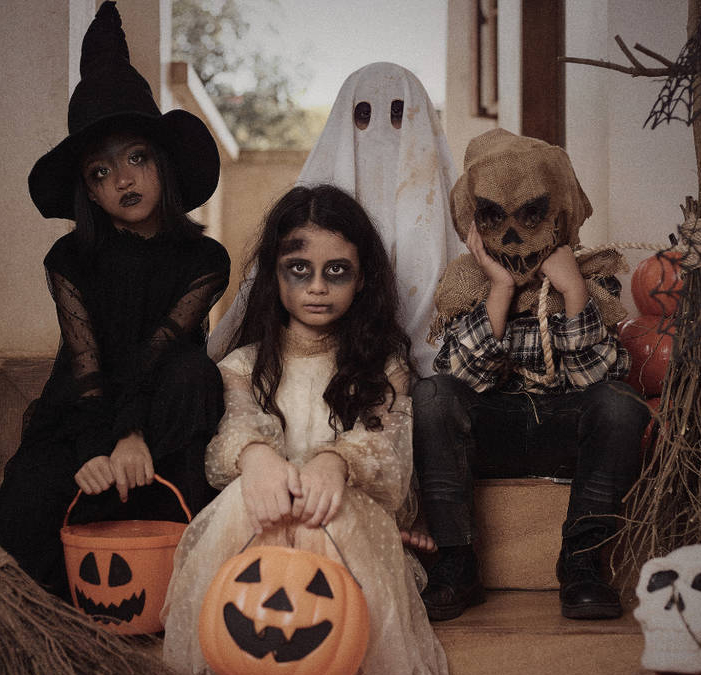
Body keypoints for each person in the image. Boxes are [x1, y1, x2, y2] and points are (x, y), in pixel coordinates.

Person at [0, 4, 228, 673]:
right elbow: (90, 367)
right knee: (37, 484)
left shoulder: (205, 262)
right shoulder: (69, 262)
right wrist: (99, 447)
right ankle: (19, 632)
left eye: (135, 159)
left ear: (162, 165)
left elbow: (155, 354)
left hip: (162, 411)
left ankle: (179, 568)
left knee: (192, 370)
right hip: (83, 414)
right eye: (100, 172)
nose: (122, 179)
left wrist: (133, 439)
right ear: (88, 195)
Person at [161, 184, 449, 675]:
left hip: (344, 517)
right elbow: (235, 430)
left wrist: (335, 462)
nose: (317, 286)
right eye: (300, 270)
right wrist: (256, 459)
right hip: (263, 511)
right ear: (274, 275)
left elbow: (387, 448)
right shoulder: (241, 366)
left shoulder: (385, 366)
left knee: (325, 519)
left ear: (362, 280)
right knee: (250, 506)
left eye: (336, 271)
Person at [413, 129, 649, 622]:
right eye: (494, 216)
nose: (514, 235)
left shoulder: (593, 276)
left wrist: (575, 293)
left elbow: (600, 379)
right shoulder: (464, 284)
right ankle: (457, 562)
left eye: (532, 214)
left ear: (559, 214)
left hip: (563, 432)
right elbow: (459, 375)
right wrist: (499, 288)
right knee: (433, 395)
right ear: (473, 221)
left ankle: (583, 561)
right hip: (489, 433)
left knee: (621, 405)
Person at [208, 62, 463, 377]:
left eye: (399, 113)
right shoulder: (314, 212)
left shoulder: (458, 218)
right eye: (364, 115)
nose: (382, 129)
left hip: (431, 372)